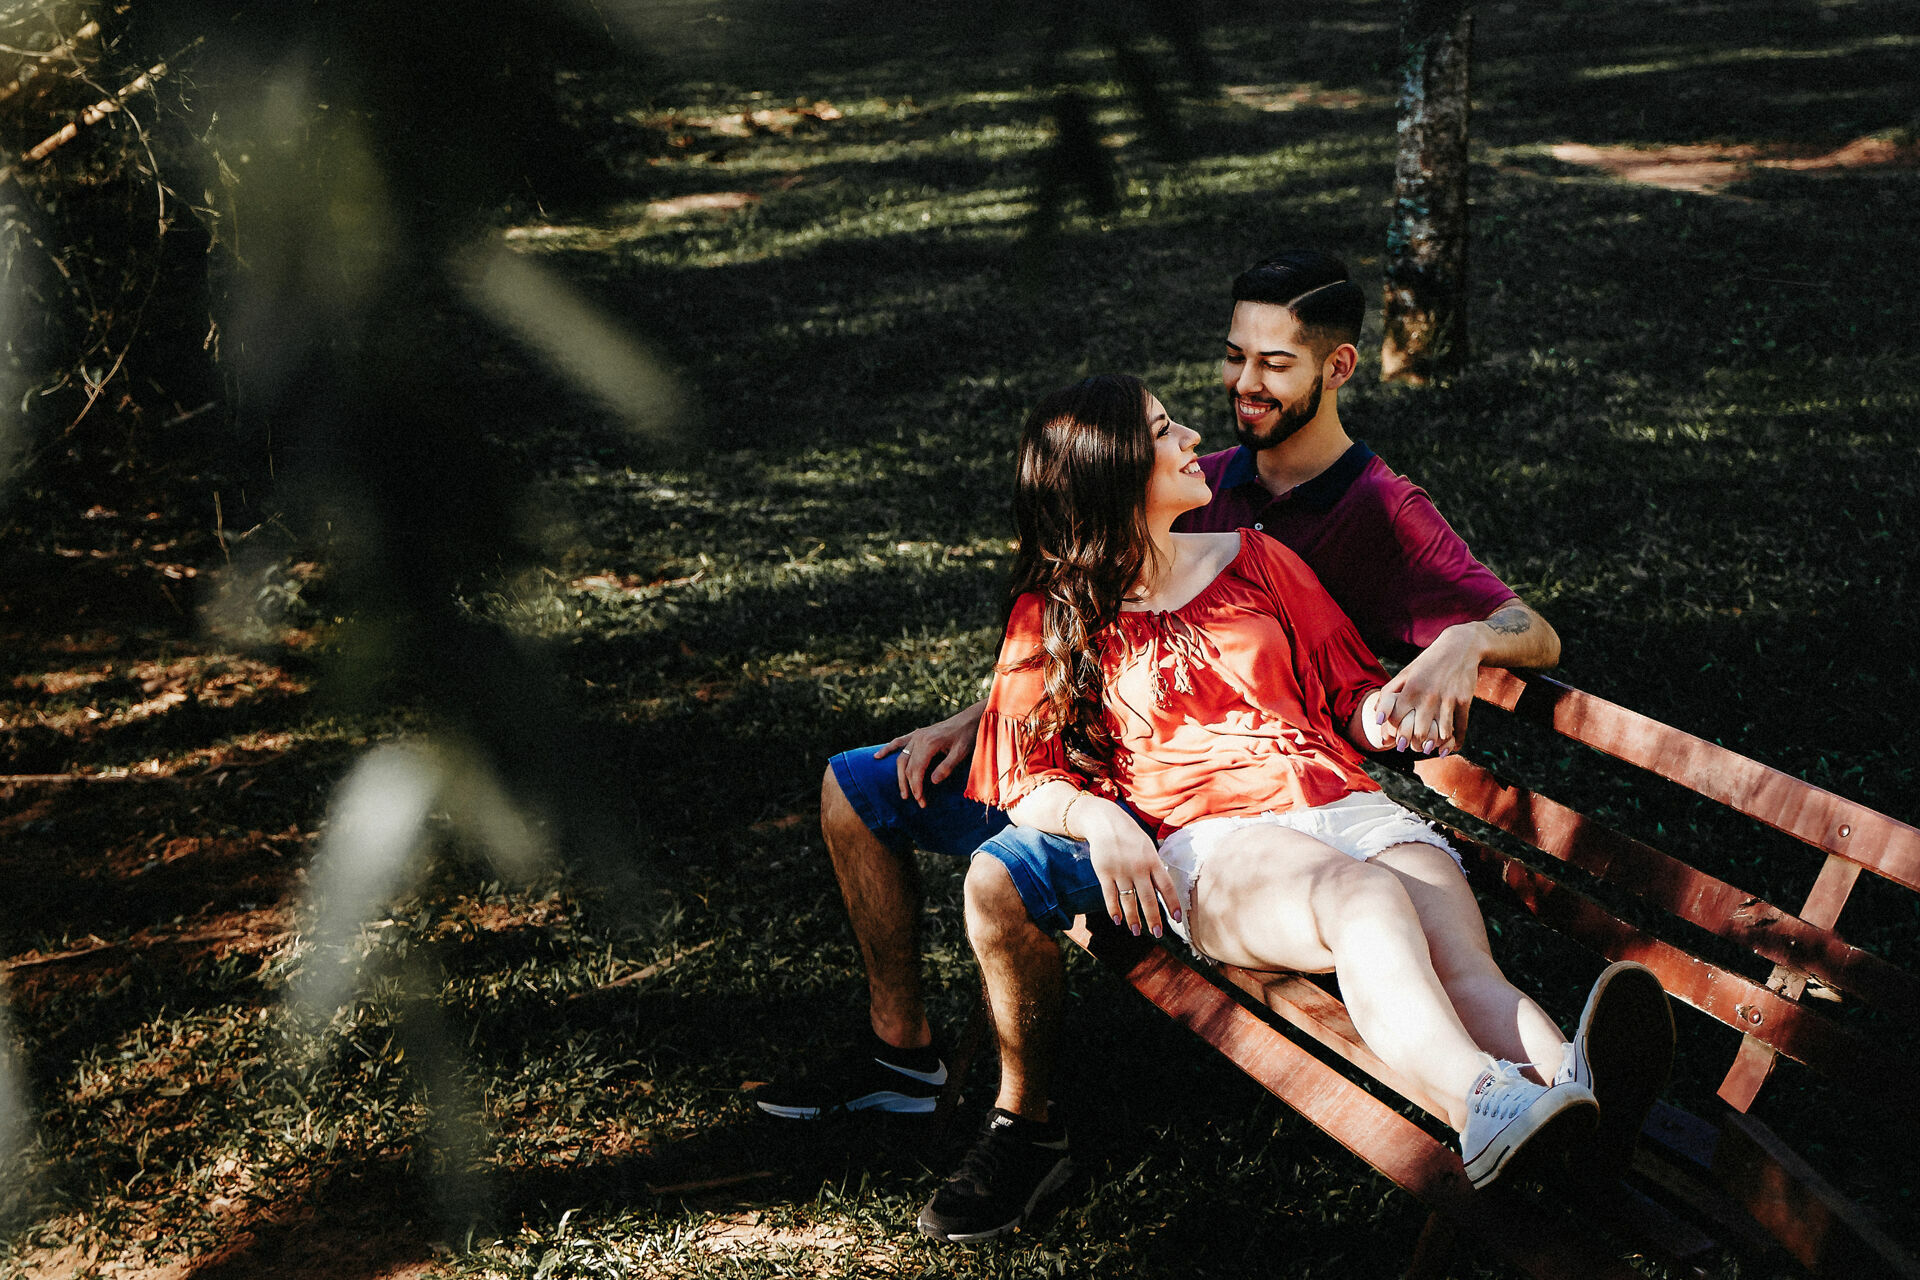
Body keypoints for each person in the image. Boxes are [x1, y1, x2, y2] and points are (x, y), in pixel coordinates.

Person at [754, 250, 1561, 1126]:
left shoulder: (1377, 511)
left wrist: (1464, 639)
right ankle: (900, 1056)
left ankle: (1022, 1125)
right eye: (1234, 356)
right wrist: (991, 717)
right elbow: (1087, 610)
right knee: (856, 783)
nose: (1241, 387)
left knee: (1007, 870)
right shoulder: (1208, 480)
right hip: (1133, 776)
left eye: (1273, 364)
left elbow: (1518, 635)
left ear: (1338, 368)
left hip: (1252, 792)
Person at [911, 374, 1671, 1241]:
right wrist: (1102, 819)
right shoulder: (1052, 615)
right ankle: (1491, 1105)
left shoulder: (1261, 558)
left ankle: (1567, 1107)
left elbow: (1343, 690)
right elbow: (1023, 771)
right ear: (1117, 470)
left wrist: (1381, 714)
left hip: (1344, 802)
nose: (1194, 436)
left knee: (1465, 968)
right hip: (1218, 842)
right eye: (1165, 431)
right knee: (1364, 901)